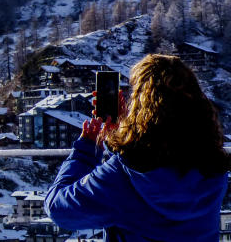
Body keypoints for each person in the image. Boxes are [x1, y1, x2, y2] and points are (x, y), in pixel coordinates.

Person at [45, 53, 229, 241]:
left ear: (140, 107)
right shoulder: (214, 170)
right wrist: (121, 141)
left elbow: (58, 209)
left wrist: (87, 150)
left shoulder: (122, 176)